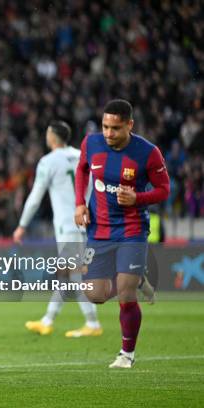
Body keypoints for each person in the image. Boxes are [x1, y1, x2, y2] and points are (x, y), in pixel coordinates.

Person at [74, 99, 169, 368]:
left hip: (132, 230)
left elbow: (164, 190)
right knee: (95, 295)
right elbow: (81, 170)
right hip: (99, 229)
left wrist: (138, 197)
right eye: (105, 126)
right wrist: (80, 203)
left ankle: (126, 354)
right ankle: (138, 280)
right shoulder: (91, 143)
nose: (108, 133)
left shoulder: (148, 153)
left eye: (115, 128)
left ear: (129, 125)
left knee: (125, 296)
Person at [13, 121, 102, 337]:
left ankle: (92, 323)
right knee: (64, 273)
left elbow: (35, 197)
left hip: (67, 223)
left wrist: (22, 225)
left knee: (73, 275)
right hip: (85, 221)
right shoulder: (82, 156)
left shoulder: (48, 161)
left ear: (52, 137)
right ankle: (48, 319)